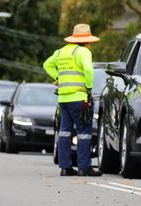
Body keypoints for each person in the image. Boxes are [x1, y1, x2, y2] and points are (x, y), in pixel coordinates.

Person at [43, 23, 102, 177]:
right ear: (86, 40)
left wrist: (57, 77)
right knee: (84, 133)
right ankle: (84, 168)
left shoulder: (61, 52)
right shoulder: (83, 52)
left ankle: (65, 167)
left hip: (63, 98)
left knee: (64, 132)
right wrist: (89, 87)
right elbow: (89, 70)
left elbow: (46, 65)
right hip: (79, 97)